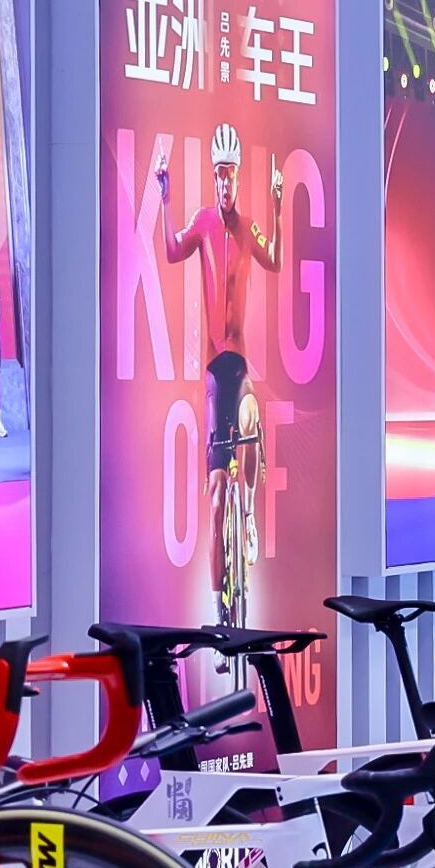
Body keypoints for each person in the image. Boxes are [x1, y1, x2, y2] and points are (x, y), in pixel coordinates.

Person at [156, 124, 287, 589]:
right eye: (220, 175)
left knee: (251, 417)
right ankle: (218, 604)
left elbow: (276, 259)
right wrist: (165, 197)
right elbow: (172, 250)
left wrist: (277, 208)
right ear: (213, 177)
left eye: (231, 174)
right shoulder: (203, 221)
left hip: (240, 366)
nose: (225, 182)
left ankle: (248, 517)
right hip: (214, 373)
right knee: (214, 498)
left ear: (238, 176)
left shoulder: (247, 228)